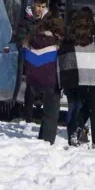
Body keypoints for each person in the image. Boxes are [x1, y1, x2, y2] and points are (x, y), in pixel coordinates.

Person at [57, 7, 95, 148]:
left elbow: (62, 60)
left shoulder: (71, 38)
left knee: (79, 108)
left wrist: (62, 81)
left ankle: (75, 132)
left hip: (77, 80)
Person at [21, 16, 64, 144]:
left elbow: (23, 57)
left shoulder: (29, 40)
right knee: (51, 114)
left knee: (46, 113)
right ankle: (47, 142)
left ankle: (41, 139)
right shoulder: (57, 43)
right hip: (50, 82)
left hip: (33, 82)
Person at [18, 0, 49, 122]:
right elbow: (20, 38)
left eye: (43, 7)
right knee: (30, 88)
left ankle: (44, 115)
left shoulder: (48, 21)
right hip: (30, 56)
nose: (40, 9)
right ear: (33, 4)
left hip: (46, 56)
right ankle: (28, 117)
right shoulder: (26, 20)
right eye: (38, 6)